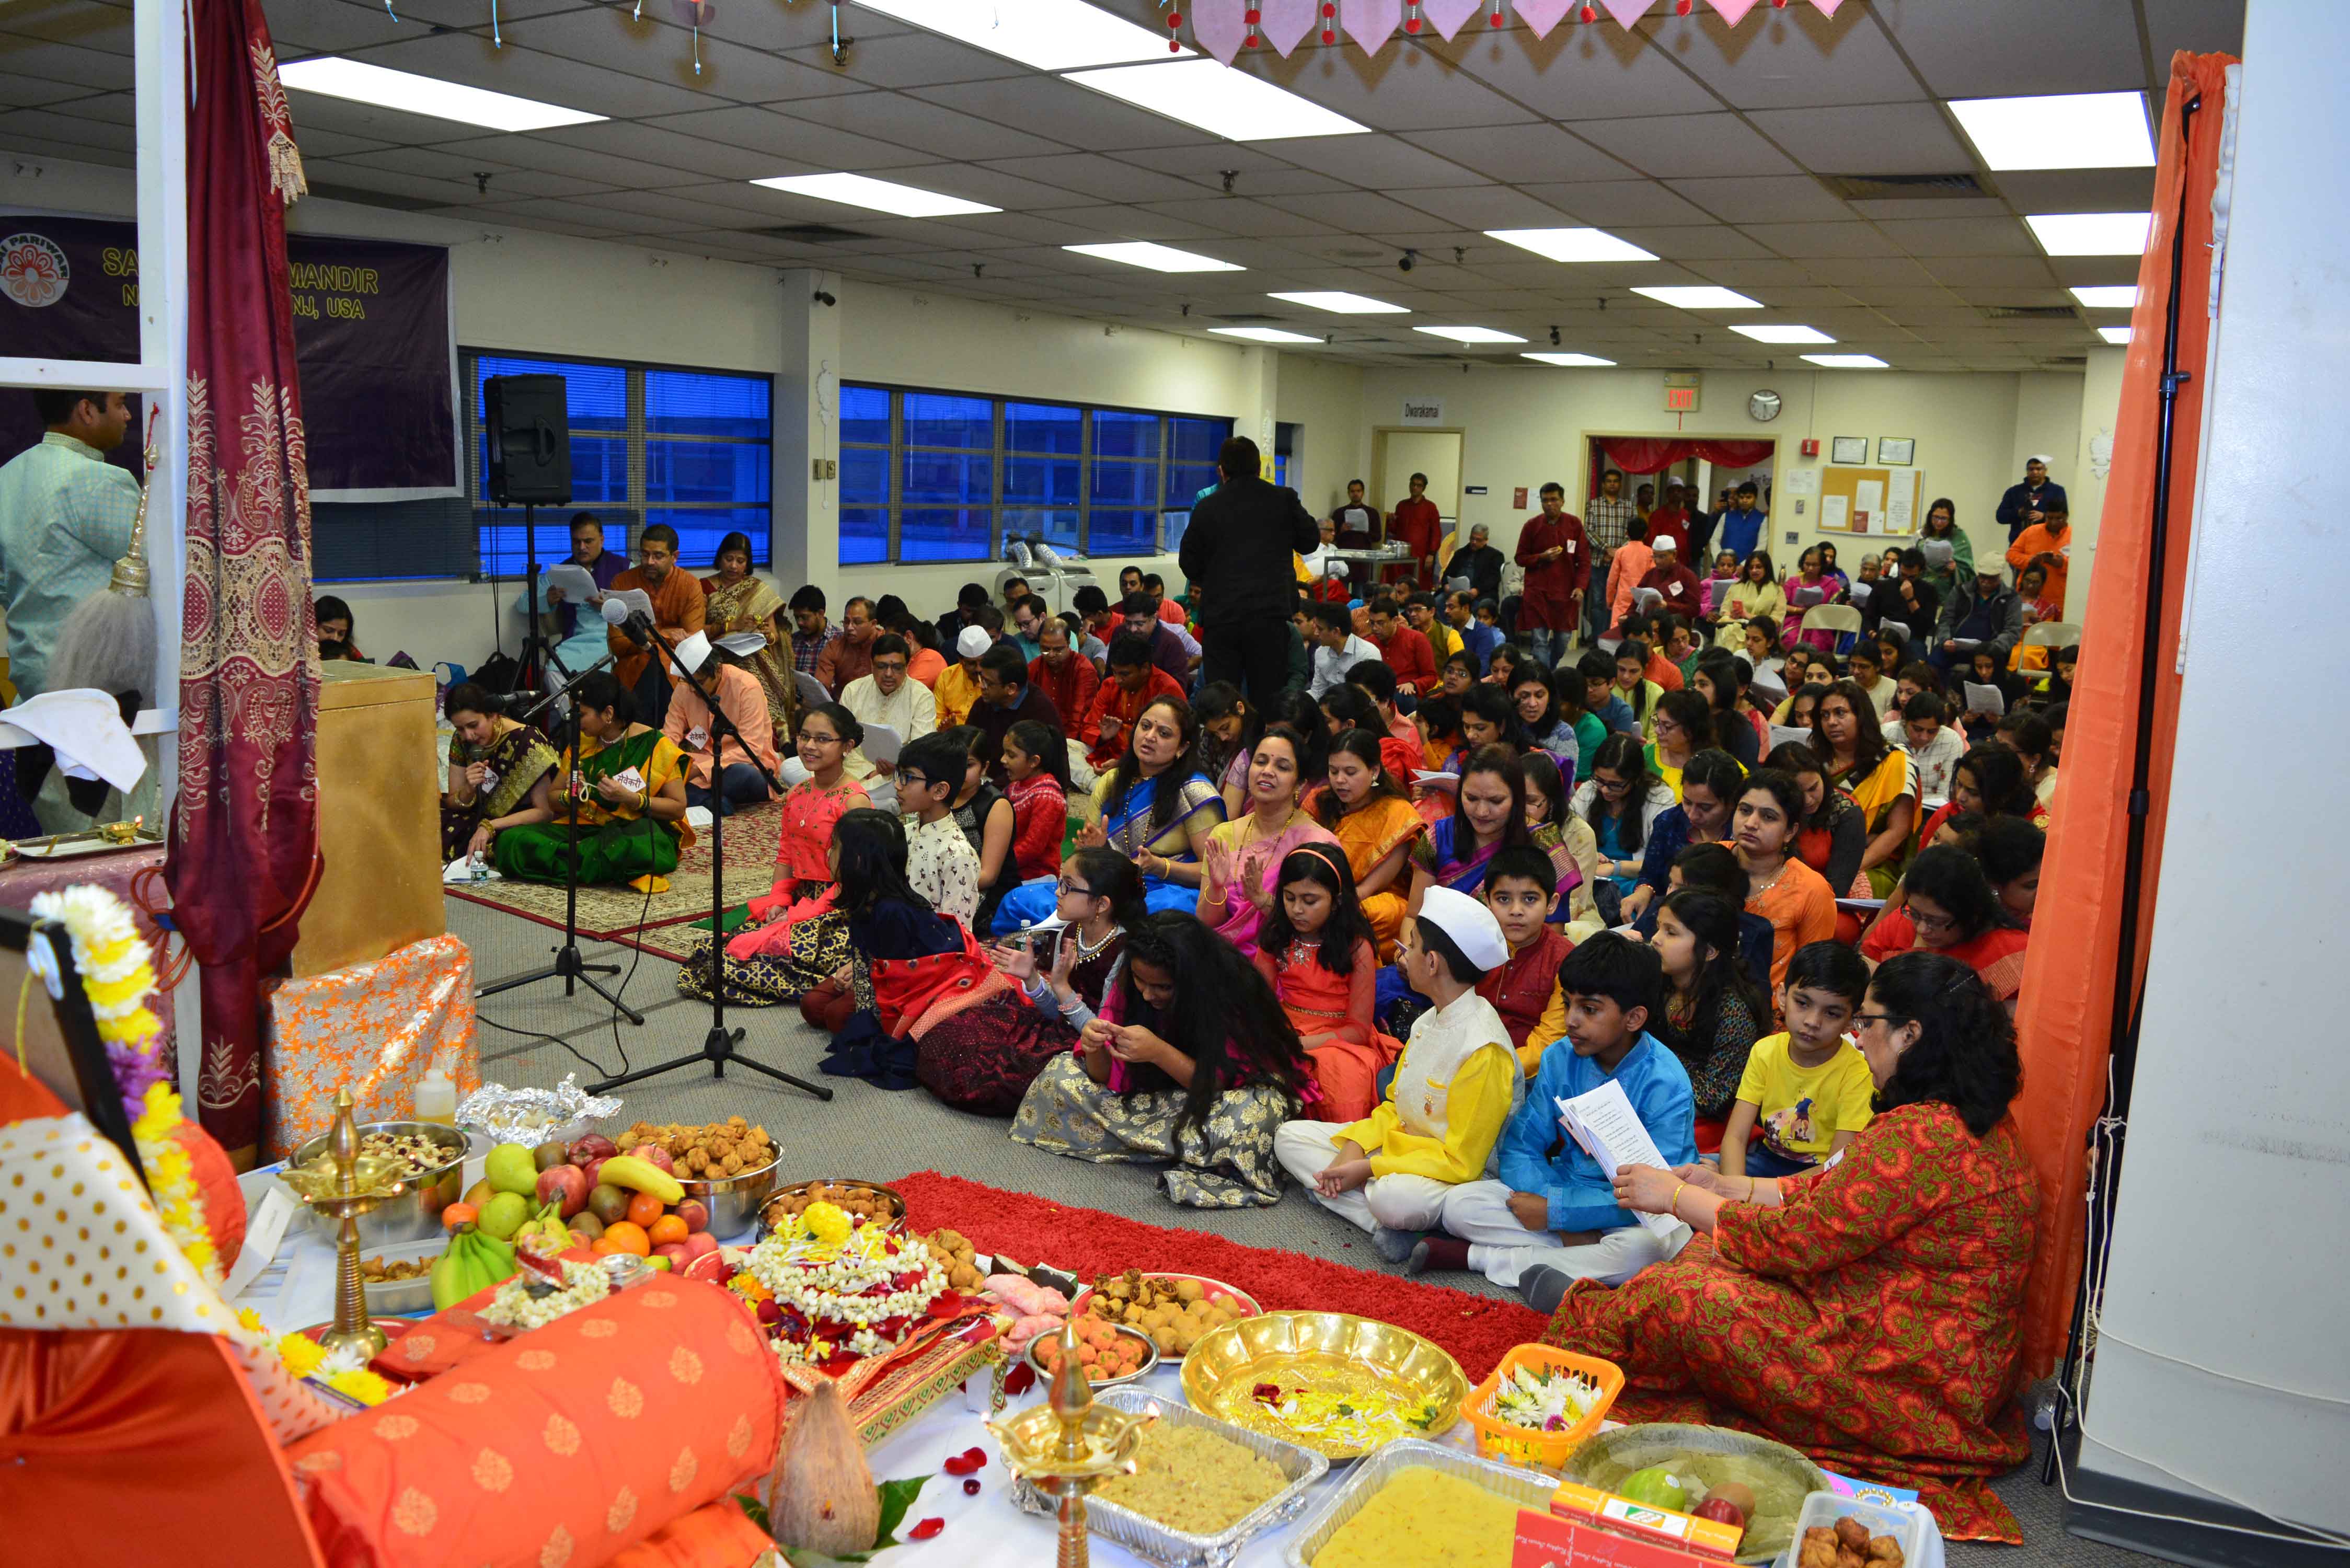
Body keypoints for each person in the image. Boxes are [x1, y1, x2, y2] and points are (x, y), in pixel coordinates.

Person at [1553, 952, 2035, 1537]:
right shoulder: (1964, 1118)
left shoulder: (1922, 1134)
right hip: (1938, 1354)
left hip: (1908, 1380)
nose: (1856, 1038)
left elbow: (1793, 1242)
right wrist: (1721, 1186)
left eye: (1864, 1022)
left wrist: (1676, 1198)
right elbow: (1832, 1193)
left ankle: (1599, 1320)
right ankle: (1614, 1312)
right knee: (1704, 1254)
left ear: (1909, 1035)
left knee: (1692, 1296)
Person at [1418, 933, 1695, 1299]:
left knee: (1648, 1250)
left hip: (1631, 1212)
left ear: (1634, 1018)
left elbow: (1663, 1192)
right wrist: (1556, 1209)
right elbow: (1521, 1147)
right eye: (1568, 1004)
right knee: (1460, 1206)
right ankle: (1577, 1260)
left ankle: (1478, 1258)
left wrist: (1560, 1214)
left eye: (1589, 1010)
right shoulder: (1559, 1057)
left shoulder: (1667, 1083)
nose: (1571, 1020)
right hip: (1561, 1187)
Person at [1277, 887, 1519, 1259]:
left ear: (1433, 963)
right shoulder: (1428, 1021)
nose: (1402, 954)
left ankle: (1365, 1204)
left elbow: (1462, 1162)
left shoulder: (1483, 1048)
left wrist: (1369, 1167)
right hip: (1397, 1151)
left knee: (1394, 1199)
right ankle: (1387, 1223)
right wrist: (1356, 1145)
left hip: (1448, 1175)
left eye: (1412, 945)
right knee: (1290, 1138)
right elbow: (1395, 1105)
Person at [1012, 912, 1315, 1208]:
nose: (1147, 995)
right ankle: (1192, 1152)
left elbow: (1221, 1083)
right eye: (1140, 981)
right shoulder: (1128, 979)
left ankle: (1168, 1146)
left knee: (1259, 1111)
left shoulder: (1230, 988)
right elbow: (1104, 1078)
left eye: (1163, 987)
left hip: (1216, 1099)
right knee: (1059, 1075)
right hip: (1157, 1102)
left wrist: (1159, 1052)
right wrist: (1094, 1047)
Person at [803, 808, 1010, 1094]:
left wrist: (873, 1028)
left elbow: (902, 989)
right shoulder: (867, 901)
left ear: (858, 860)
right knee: (814, 1005)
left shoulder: (892, 912)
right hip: (884, 985)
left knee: (838, 1017)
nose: (829, 855)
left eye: (835, 847)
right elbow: (868, 966)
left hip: (933, 990)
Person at [675, 705, 869, 1004]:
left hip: (837, 909)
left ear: (847, 746)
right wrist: (778, 902)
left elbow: (856, 879)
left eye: (822, 739)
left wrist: (799, 915)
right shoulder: (798, 793)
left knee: (741, 964)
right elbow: (786, 855)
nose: (810, 746)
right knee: (715, 953)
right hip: (799, 897)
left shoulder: (854, 801)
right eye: (804, 737)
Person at [997, 694, 1224, 933]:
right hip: (1110, 887)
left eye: (1164, 733)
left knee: (1148, 917)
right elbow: (1087, 860)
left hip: (1167, 891)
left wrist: (1161, 867)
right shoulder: (1112, 781)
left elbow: (1212, 870)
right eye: (1145, 726)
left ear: (1183, 747)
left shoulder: (1194, 791)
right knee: (1019, 900)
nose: (1150, 736)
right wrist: (1096, 850)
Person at [490, 670, 693, 889]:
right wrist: (571, 795)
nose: (575, 720)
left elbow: (677, 808)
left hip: (633, 828)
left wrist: (630, 799)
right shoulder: (582, 744)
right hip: (585, 828)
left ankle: (577, 859)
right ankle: (594, 861)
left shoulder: (654, 745)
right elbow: (553, 799)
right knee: (511, 840)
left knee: (639, 847)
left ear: (608, 713)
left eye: (582, 714)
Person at [0, 388, 138, 698]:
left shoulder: (6, 477)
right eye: (120, 404)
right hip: (97, 683)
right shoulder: (99, 479)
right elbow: (157, 573)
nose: (128, 415)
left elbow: (5, 586)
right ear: (87, 410)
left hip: (31, 680)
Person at [1252, 842, 1401, 1123]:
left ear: (1337, 901)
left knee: (1342, 1078)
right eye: (1289, 898)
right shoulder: (1277, 935)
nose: (1297, 910)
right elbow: (1258, 1004)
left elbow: (1358, 1030)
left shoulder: (1356, 946)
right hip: (1286, 1028)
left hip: (1340, 1040)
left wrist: (1300, 1045)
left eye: (1310, 901)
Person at [1176, 434, 1318, 702]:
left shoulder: (1207, 506)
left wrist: (1215, 578)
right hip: (1270, 616)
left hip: (1222, 617)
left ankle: (1226, 730)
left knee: (1223, 699)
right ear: (1259, 468)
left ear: (1222, 471)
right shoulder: (1283, 499)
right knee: (1268, 697)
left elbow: (1189, 563)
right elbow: (1310, 541)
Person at [1717, 941, 1874, 1178]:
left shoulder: (1859, 1074)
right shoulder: (1765, 1051)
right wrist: (1732, 1187)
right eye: (1802, 1003)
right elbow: (1735, 1138)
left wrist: (1749, 1192)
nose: (1812, 1021)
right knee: (1695, 1169)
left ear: (1852, 1021)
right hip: (1766, 1160)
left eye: (1832, 1013)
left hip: (1818, 1177)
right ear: (1782, 996)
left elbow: (1835, 1169)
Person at [1196, 725, 1339, 959]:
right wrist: (1217, 888)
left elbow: (1324, 926)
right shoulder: (1223, 835)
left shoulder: (1318, 844)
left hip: (1287, 960)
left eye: (1282, 767)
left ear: (1300, 784)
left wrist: (1263, 901)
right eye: (1261, 762)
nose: (1267, 771)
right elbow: (1206, 923)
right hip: (1224, 958)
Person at [1860, 844, 2031, 1004]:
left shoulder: (2012, 956)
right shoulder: (1903, 919)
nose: (1921, 929)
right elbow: (1864, 962)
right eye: (1916, 914)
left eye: (1937, 921)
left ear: (1973, 916)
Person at [1314, 728, 1424, 960]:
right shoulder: (1319, 802)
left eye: (1350, 772)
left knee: (1375, 914)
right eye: (1334, 771)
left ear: (1374, 771)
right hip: (1314, 890)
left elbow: (1366, 890)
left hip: (1368, 898)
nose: (1340, 780)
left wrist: (1330, 905)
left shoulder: (1398, 813)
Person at [1812, 681, 1917, 896]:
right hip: (1814, 855)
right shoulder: (1813, 763)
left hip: (1872, 864)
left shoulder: (1893, 760)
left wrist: (1844, 869)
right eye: (1824, 715)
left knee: (1845, 892)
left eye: (1840, 713)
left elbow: (1898, 831)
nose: (1831, 722)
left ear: (1861, 716)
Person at [1472, 843, 1575, 1063]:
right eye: (1503, 899)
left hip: (1527, 1070)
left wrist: (1497, 1070)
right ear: (1487, 901)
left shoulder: (1566, 960)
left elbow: (1548, 1041)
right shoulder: (1471, 944)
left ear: (1552, 904)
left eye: (1530, 899)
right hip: (1467, 1054)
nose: (1516, 911)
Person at [440, 682, 559, 864]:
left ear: (493, 715)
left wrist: (490, 826)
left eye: (473, 725)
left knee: (513, 842)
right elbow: (452, 802)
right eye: (460, 729)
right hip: (476, 817)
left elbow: (546, 813)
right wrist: (468, 790)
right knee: (429, 821)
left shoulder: (527, 742)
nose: (469, 735)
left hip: (516, 822)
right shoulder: (461, 741)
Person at [1622, 748, 1743, 922]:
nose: (1692, 815)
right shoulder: (1669, 822)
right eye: (1687, 802)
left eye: (1705, 808)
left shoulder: (1741, 834)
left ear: (1732, 802)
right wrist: (1643, 891)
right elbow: (1650, 874)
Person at [663, 643, 779, 817]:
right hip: (701, 765)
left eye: (699, 683)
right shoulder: (685, 688)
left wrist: (698, 770)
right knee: (666, 772)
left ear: (718, 670)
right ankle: (709, 801)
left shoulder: (747, 687)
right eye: (688, 683)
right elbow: (670, 734)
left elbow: (752, 748)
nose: (693, 689)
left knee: (743, 775)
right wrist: (665, 763)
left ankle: (695, 796)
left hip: (744, 766)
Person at [607, 522, 706, 728]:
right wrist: (663, 635)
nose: (650, 562)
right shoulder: (622, 582)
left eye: (658, 556)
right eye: (645, 555)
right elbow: (617, 644)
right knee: (651, 660)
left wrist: (643, 637)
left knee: (660, 661)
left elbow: (692, 642)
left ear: (675, 557)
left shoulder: (690, 585)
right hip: (633, 665)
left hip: (676, 667)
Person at [883, 731, 984, 925]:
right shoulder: (904, 833)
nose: (897, 785)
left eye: (908, 777)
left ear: (939, 790)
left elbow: (955, 931)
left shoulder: (958, 854)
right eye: (899, 775)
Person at [699, 531, 792, 729]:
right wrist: (731, 626)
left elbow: (774, 635)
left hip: (749, 653)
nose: (734, 566)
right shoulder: (704, 587)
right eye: (729, 559)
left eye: (740, 561)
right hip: (714, 654)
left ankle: (767, 729)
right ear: (720, 558)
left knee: (751, 668)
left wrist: (767, 634)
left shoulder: (757, 589)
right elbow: (697, 630)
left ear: (747, 563)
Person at [1572, 733, 1675, 909]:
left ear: (1636, 779)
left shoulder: (1659, 798)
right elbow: (1567, 840)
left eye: (1616, 784)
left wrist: (1615, 868)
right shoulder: (1589, 791)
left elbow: (1662, 862)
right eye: (1600, 780)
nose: (1605, 790)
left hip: (1635, 882)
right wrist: (1588, 855)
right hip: (1589, 877)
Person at [935, 725, 1018, 930]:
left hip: (983, 892)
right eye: (952, 763)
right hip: (941, 882)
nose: (958, 771)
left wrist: (939, 884)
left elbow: (988, 876)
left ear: (984, 767)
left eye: (968, 765)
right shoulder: (939, 795)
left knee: (940, 929)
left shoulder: (996, 805)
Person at [840, 632, 937, 795]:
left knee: (871, 795)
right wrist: (869, 772)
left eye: (897, 667)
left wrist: (897, 767)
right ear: (871, 664)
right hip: (852, 769)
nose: (889, 674)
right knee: (797, 768)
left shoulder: (921, 696)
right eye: (882, 666)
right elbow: (841, 741)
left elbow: (922, 750)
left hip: (896, 777)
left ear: (907, 666)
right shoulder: (853, 690)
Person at [537, 512, 627, 677]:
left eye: (588, 541)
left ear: (602, 540)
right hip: (576, 641)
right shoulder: (560, 572)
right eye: (576, 542)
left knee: (614, 673)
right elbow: (524, 603)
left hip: (613, 638)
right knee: (553, 672)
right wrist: (547, 600)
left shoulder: (625, 567)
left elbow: (640, 609)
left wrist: (609, 607)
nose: (582, 547)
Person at [1517, 752, 1598, 933]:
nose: (1521, 809)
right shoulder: (1502, 825)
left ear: (1552, 800)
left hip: (1569, 916)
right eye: (1515, 798)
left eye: (1531, 801)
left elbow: (1574, 899)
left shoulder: (1580, 834)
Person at [1513, 481, 1588, 673]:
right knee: (1539, 641)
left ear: (1562, 501)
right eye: (1545, 500)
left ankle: (1548, 671)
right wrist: (1541, 557)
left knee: (1563, 640)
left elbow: (1584, 561)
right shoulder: (1532, 526)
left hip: (1565, 594)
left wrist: (1580, 587)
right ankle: (1545, 677)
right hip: (1537, 593)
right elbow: (1520, 558)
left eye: (1554, 500)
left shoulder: (1574, 524)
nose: (1549, 504)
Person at [1082, 632, 1185, 770]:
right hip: (1105, 755)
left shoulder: (1167, 689)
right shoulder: (1110, 685)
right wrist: (1103, 737)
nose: (1118, 680)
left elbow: (1173, 743)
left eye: (1125, 674)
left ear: (1145, 669)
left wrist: (1124, 764)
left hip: (1149, 763)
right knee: (1069, 747)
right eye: (1115, 672)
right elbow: (1090, 727)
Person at [966, 642, 1063, 788]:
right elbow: (969, 745)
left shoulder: (1040, 710)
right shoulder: (984, 703)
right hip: (987, 778)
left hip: (1028, 786)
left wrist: (989, 791)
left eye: (988, 683)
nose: (981, 686)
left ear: (1011, 688)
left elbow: (1041, 768)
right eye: (981, 679)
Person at [1580, 468, 1638, 643]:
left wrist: (1616, 553)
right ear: (1603, 484)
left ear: (1620, 484)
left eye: (1616, 481)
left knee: (1618, 602)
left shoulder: (1629, 506)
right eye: (1609, 481)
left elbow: (1633, 532)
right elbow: (1588, 531)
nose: (1612, 484)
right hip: (1598, 562)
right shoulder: (1593, 505)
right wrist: (1607, 549)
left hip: (1621, 564)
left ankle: (1614, 640)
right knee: (1598, 603)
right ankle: (1599, 641)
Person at [1931, 566, 2023, 675]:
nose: (1986, 582)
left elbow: (2013, 631)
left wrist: (1993, 648)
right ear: (1978, 575)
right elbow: (1945, 620)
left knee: (1988, 668)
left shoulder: (2011, 598)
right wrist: (1945, 640)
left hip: (1991, 650)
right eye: (1983, 577)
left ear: (2000, 577)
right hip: (1954, 647)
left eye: (1991, 578)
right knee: (1932, 665)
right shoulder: (1960, 591)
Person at [1026, 615, 1099, 740]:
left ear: (1069, 643)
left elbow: (1079, 718)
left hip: (1075, 739)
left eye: (1058, 650)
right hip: (1040, 736)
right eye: (1045, 649)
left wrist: (1065, 746)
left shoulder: (1083, 669)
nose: (1051, 655)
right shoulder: (1034, 668)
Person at [1642, 689, 1718, 803]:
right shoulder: (1646, 754)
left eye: (1667, 726)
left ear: (1691, 729)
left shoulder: (1717, 767)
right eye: (1657, 722)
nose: (1657, 730)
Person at [1690, 653, 1762, 770]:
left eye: (1703, 685)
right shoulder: (1690, 718)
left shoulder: (1741, 729)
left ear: (1722, 687)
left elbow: (1745, 772)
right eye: (1694, 684)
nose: (1695, 689)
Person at [1890, 691, 1963, 800]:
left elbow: (1946, 794)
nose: (1924, 737)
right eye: (1918, 729)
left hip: (1933, 808)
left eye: (1932, 731)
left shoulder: (1952, 741)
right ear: (1905, 720)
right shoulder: (1887, 735)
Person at [2005, 501, 2073, 617]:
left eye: (2059, 519)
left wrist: (2062, 564)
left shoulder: (2074, 535)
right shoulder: (2031, 532)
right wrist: (2031, 561)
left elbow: (2083, 566)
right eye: (2050, 518)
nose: (2054, 522)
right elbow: (2011, 555)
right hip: (2028, 597)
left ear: (2066, 517)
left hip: (2058, 599)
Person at [1303, 600, 1381, 700]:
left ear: (1336, 631)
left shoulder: (1367, 655)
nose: (1316, 633)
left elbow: (1368, 699)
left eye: (1320, 629)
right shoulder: (1321, 652)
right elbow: (1318, 692)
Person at [1364, 596, 1436, 698]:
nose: (1375, 628)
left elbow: (1431, 677)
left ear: (1395, 621)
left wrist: (1413, 685)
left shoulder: (1416, 639)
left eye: (1380, 623)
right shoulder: (1369, 643)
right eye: (1372, 623)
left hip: (1406, 695)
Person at [1385, 470, 1445, 590]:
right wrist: (1391, 521)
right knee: (1401, 585)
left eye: (1419, 485)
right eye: (1413, 484)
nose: (1415, 488)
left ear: (1424, 488)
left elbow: (1436, 533)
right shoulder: (1402, 505)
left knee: (1420, 587)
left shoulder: (1430, 507)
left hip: (1422, 555)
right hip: (1402, 555)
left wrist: (1431, 554)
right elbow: (1396, 530)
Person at [814, 595, 879, 697]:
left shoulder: (887, 645)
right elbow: (820, 690)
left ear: (873, 624)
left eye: (857, 622)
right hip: (843, 704)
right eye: (847, 622)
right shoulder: (834, 648)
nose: (850, 628)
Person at [1996, 454, 2067, 545]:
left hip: (2047, 544)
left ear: (2045, 471)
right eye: (2031, 469)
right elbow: (2000, 517)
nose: (2035, 472)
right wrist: (2018, 513)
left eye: (2039, 469)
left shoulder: (2057, 491)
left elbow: (2063, 518)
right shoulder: (2014, 491)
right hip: (2019, 544)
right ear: (2027, 471)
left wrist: (2044, 516)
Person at [934, 623, 990, 731]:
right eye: (972, 664)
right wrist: (947, 728)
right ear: (960, 660)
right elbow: (937, 717)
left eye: (983, 662)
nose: (979, 669)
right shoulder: (947, 676)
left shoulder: (998, 680)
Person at [1916, 496, 1974, 601]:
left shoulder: (1959, 537)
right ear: (1930, 516)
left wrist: (1955, 568)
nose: (1939, 522)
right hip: (1923, 588)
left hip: (1947, 592)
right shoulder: (1921, 534)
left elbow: (1968, 569)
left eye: (1944, 519)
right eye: (1935, 517)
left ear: (1951, 519)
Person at [1636, 535, 1700, 628]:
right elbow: (1637, 600)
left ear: (1674, 555)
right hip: (1648, 627)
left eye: (1662, 557)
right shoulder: (1650, 575)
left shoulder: (1687, 576)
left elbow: (1694, 609)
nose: (1657, 561)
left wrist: (1668, 606)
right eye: (1655, 556)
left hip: (1675, 628)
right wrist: (1628, 615)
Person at [1575, 650, 1639, 737]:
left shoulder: (1623, 712)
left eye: (1596, 684)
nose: (1589, 690)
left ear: (1611, 683)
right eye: (1584, 683)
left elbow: (1619, 744)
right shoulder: (1574, 703)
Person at [1442, 522, 1505, 603]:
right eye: (1472, 539)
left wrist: (1478, 590)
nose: (1474, 542)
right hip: (1454, 593)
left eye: (1478, 540)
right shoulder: (1460, 553)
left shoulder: (1495, 556)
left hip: (1480, 594)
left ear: (1486, 541)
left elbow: (1494, 579)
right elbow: (1447, 573)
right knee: (1437, 602)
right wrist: (1446, 585)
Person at [1446, 588, 1502, 672]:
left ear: (1465, 608)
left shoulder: (1483, 633)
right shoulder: (1446, 631)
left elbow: (1481, 668)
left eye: (1451, 607)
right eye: (1446, 607)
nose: (1446, 611)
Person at [1715, 480, 1767, 562]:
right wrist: (1720, 560)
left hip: (1747, 567)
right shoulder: (1726, 516)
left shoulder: (1762, 519)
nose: (1745, 500)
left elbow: (1762, 546)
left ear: (1755, 498)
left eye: (1749, 497)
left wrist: (1744, 565)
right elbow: (1714, 540)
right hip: (1723, 566)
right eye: (1742, 497)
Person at [314, 595, 365, 663]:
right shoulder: (301, 653)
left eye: (341, 634)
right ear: (313, 626)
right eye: (328, 631)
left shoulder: (352, 652)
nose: (335, 638)